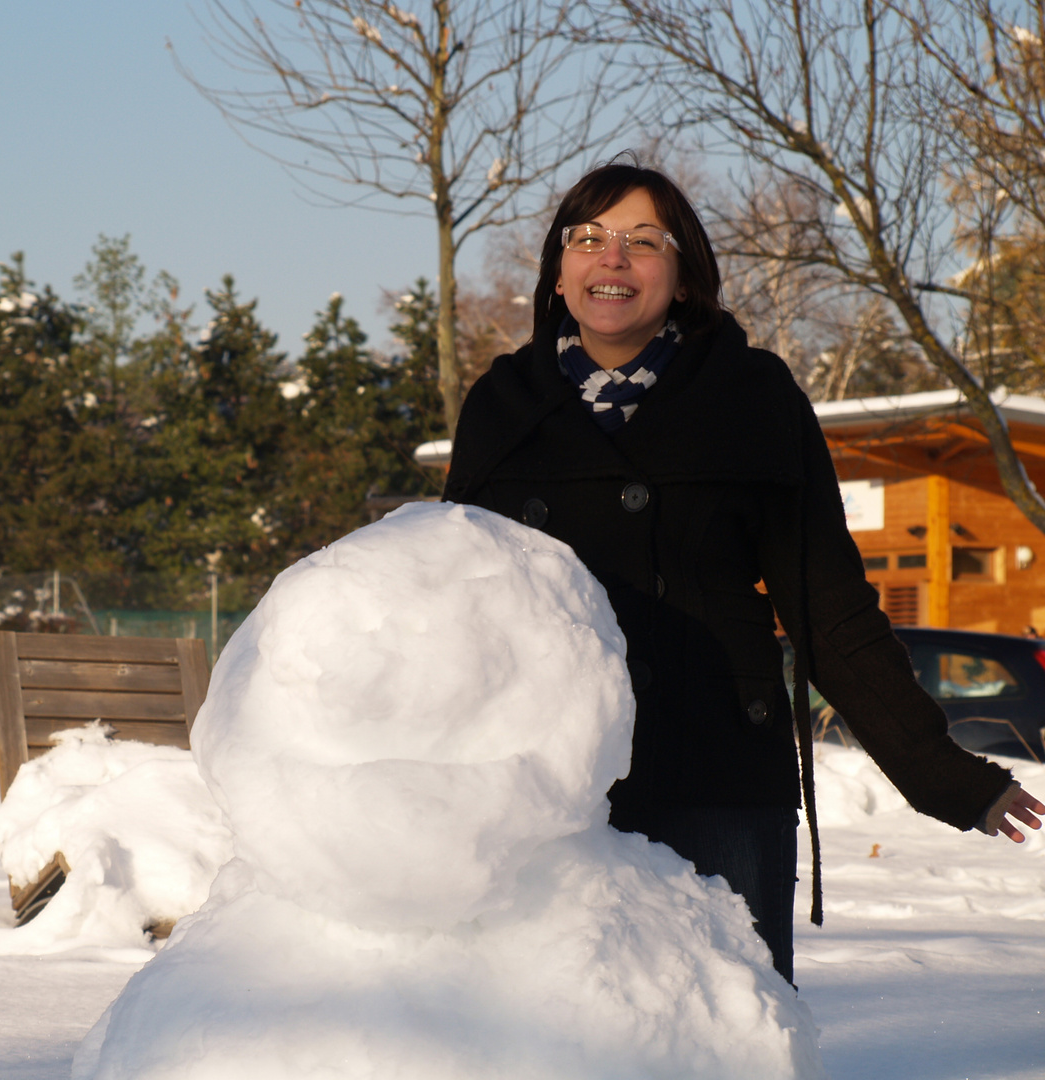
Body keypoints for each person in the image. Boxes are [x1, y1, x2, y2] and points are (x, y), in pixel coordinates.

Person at [441, 157, 1044, 984]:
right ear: (557, 270)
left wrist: (946, 775)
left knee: (735, 1035)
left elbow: (828, 608)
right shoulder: (501, 406)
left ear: (684, 278)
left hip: (718, 777)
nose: (611, 258)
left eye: (643, 242)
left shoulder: (752, 398)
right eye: (589, 238)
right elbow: (449, 604)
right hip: (553, 790)